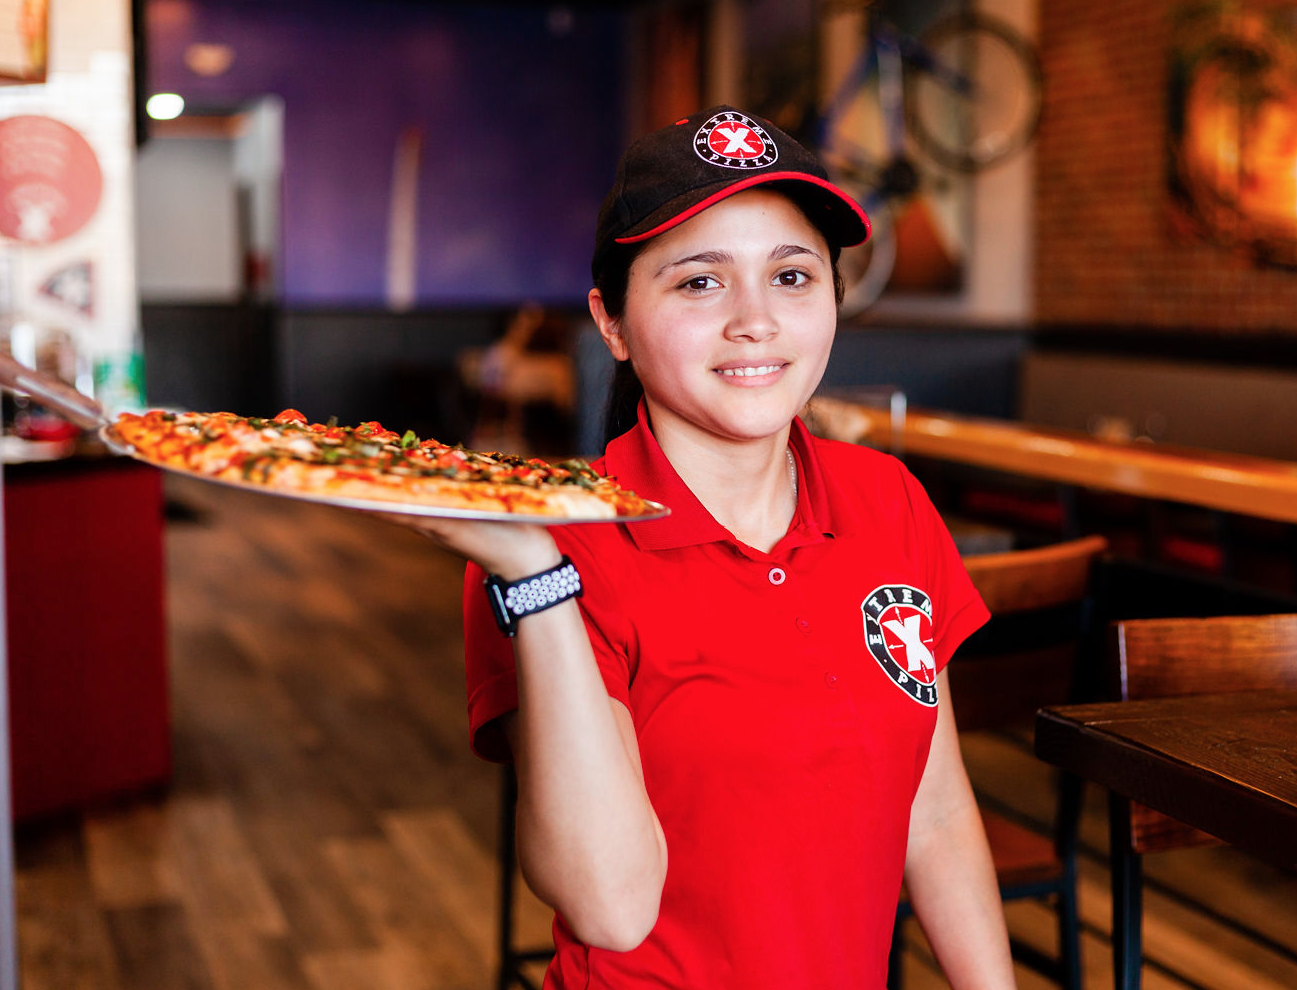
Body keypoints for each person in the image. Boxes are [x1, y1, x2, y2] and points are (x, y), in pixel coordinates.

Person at [399, 105, 1018, 990]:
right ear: (610, 322)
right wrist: (535, 575)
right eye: (699, 282)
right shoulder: (550, 545)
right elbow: (609, 906)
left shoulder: (889, 502)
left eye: (794, 276)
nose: (756, 321)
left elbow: (937, 807)